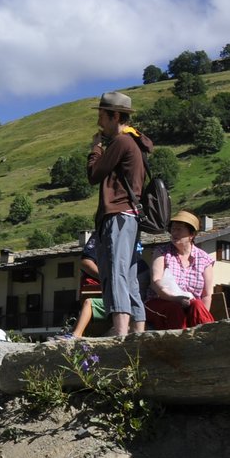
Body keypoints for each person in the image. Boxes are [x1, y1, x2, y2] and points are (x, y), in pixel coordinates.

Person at [87, 91, 152, 337]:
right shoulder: (133, 141)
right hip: (129, 216)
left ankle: (121, 334)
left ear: (115, 116)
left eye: (102, 116)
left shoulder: (121, 142)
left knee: (116, 272)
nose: (99, 122)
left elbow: (94, 174)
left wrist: (95, 148)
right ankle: (137, 330)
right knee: (129, 274)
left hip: (117, 215)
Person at [145, 210, 217, 330]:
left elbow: (206, 295)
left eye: (179, 229)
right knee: (175, 309)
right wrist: (174, 299)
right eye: (173, 229)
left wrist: (199, 315)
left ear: (191, 235)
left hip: (189, 304)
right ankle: (179, 345)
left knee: (197, 304)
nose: (174, 233)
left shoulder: (204, 259)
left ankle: (205, 337)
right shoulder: (162, 252)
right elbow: (155, 281)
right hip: (160, 301)